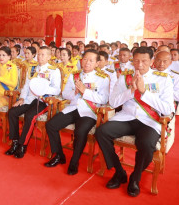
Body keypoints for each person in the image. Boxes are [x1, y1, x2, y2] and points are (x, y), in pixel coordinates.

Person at [95, 47, 174, 197]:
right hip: (127, 117)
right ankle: (119, 172)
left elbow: (168, 109)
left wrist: (144, 92)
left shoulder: (163, 79)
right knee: (102, 132)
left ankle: (135, 178)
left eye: (144, 61)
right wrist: (130, 91)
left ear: (151, 62)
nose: (140, 64)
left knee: (146, 144)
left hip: (149, 121)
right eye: (136, 60)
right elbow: (112, 102)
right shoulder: (125, 77)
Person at [45, 49, 110, 175]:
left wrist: (85, 91)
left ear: (97, 63)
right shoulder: (74, 74)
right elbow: (64, 93)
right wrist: (74, 92)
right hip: (73, 108)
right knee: (51, 125)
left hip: (89, 112)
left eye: (91, 60)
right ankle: (59, 155)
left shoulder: (103, 78)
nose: (87, 63)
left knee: (80, 131)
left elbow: (104, 99)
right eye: (85, 59)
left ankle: (74, 161)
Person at [6, 46, 61, 158]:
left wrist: (43, 89)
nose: (39, 57)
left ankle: (22, 145)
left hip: (43, 101)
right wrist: (22, 98)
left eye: (42, 54)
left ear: (49, 57)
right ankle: (15, 142)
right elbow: (26, 85)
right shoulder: (32, 69)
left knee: (29, 116)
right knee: (12, 112)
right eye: (38, 54)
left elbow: (57, 89)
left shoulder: (54, 70)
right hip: (30, 98)